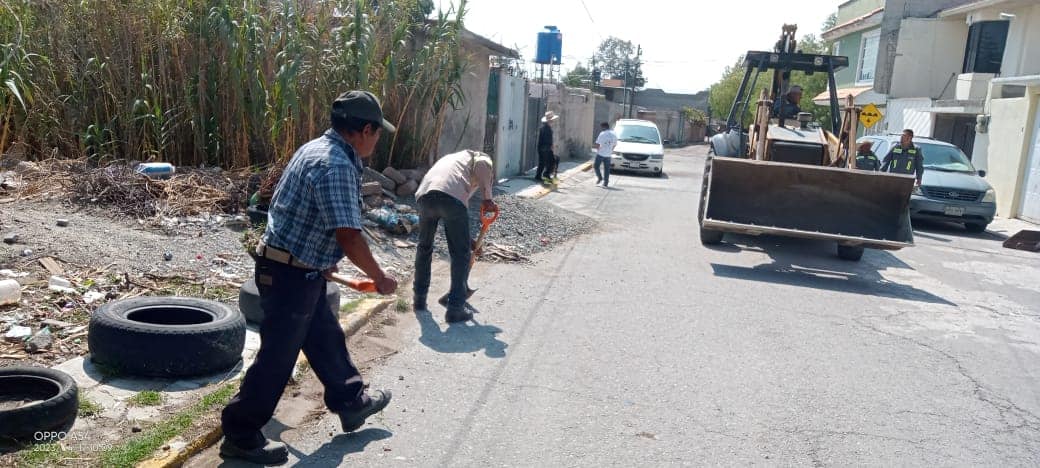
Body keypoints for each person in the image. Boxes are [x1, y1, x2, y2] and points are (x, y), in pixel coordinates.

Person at [220, 90, 398, 465]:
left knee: (324, 336)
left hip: (298, 267)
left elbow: (294, 212)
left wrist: (319, 261)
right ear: (364, 130)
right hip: (288, 273)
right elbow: (348, 234)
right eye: (378, 133)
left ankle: (351, 401)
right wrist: (380, 276)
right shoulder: (334, 165)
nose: (377, 140)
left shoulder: (315, 148)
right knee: (278, 357)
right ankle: (239, 432)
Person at [413, 150, 500, 323]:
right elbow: (483, 166)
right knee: (460, 255)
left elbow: (453, 225)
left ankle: (419, 300)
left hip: (425, 196)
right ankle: (455, 308)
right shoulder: (480, 157)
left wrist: (469, 241)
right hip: (450, 198)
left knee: (424, 248)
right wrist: (488, 198)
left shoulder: (453, 160)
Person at [536, 111, 559, 183]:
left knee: (542, 162)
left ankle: (538, 176)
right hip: (545, 148)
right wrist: (551, 146)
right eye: (552, 119)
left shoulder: (544, 127)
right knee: (552, 161)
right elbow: (547, 140)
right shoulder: (547, 129)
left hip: (542, 148)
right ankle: (546, 174)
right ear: (549, 120)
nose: (553, 121)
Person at [593, 121, 617, 186]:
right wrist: (610, 150)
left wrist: (597, 150)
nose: (601, 128)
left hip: (601, 153)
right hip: (608, 154)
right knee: (607, 169)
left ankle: (600, 178)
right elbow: (615, 145)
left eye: (602, 127)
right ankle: (606, 182)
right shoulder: (614, 134)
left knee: (596, 166)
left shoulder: (602, 133)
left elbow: (598, 144)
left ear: (604, 127)